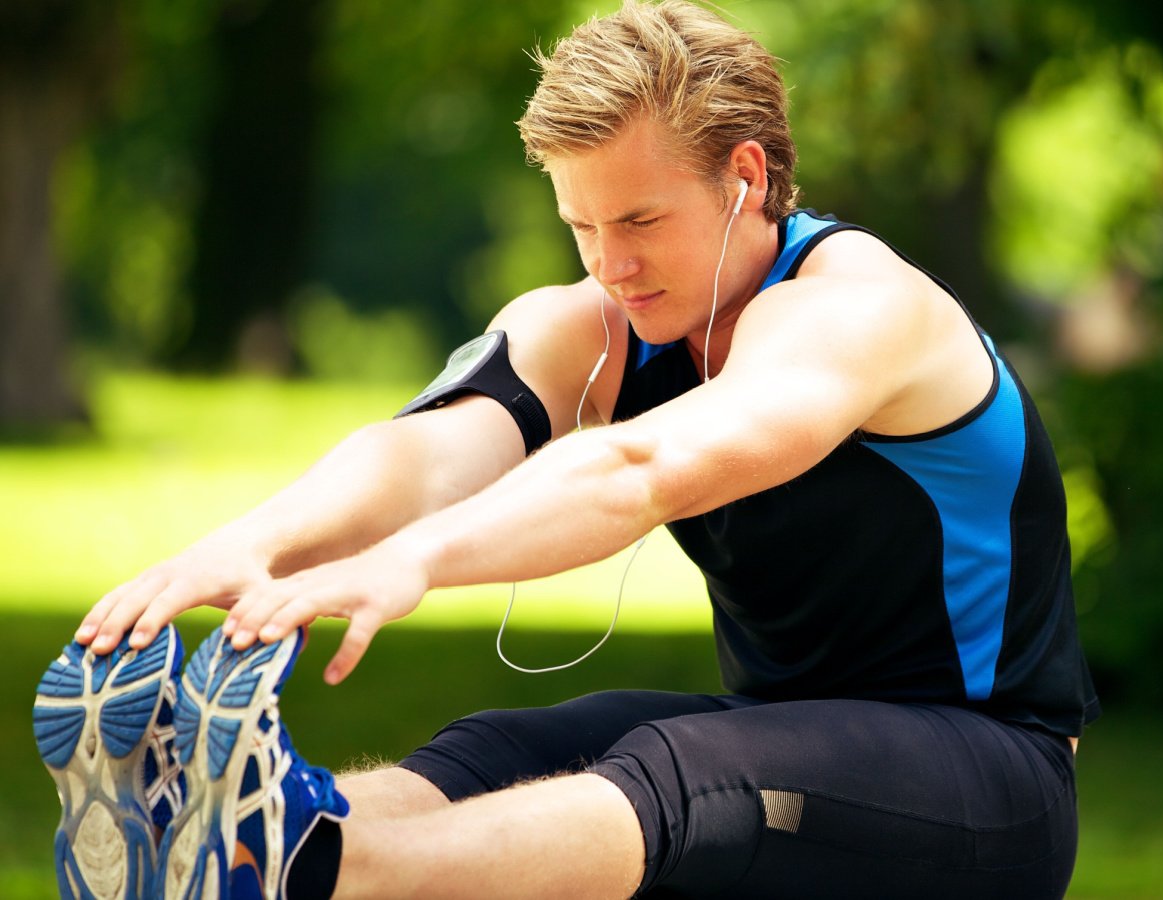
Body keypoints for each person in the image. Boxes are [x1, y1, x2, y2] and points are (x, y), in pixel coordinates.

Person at [34, 1, 1099, 897]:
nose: (611, 264)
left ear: (743, 176)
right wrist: (254, 547)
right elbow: (425, 451)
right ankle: (220, 835)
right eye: (581, 227)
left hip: (989, 782)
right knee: (502, 751)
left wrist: (415, 563)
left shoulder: (857, 309)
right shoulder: (597, 323)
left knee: (682, 775)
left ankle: (315, 866)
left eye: (638, 219)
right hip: (791, 736)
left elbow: (641, 469)